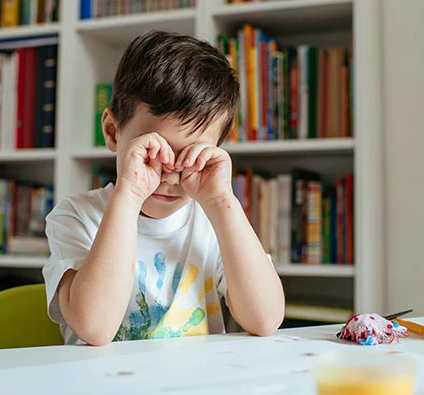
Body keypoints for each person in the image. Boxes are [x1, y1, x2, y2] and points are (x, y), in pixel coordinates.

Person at [42, 31, 285, 345]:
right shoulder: (76, 217)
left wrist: (222, 202)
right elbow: (95, 328)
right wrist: (128, 196)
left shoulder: (213, 223)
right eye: (153, 151)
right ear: (113, 132)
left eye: (190, 156)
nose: (171, 174)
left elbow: (265, 319)